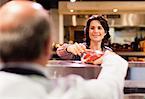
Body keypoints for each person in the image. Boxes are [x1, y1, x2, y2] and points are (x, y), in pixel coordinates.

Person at [0, 1, 128, 99]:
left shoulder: (108, 51)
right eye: (92, 28)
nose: (95, 31)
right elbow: (110, 90)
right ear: (47, 47)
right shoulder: (70, 90)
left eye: (99, 28)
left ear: (105, 32)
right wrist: (69, 47)